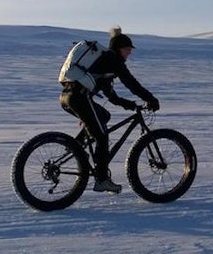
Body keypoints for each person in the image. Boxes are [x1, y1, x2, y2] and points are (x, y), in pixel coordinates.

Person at [59, 26, 160, 193]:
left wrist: (130, 105)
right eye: (127, 49)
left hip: (68, 97)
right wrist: (151, 99)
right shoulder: (113, 60)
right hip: (79, 98)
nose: (129, 53)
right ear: (119, 49)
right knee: (101, 136)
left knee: (103, 116)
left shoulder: (104, 62)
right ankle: (102, 179)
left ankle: (77, 147)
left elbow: (111, 96)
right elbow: (131, 83)